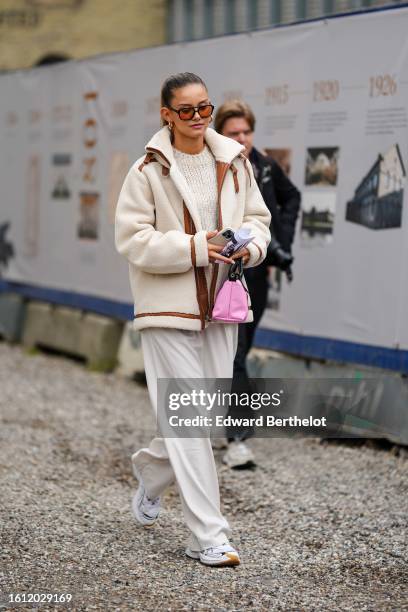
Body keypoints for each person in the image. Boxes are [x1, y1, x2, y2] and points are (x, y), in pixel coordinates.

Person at [115, 74, 271, 567]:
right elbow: (132, 240)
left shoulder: (235, 161)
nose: (198, 118)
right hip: (167, 309)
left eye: (204, 108)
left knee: (202, 414)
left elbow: (258, 218)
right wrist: (191, 248)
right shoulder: (147, 169)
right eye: (186, 110)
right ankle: (210, 536)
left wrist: (251, 247)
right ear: (166, 114)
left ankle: (152, 471)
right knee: (189, 422)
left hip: (223, 304)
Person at [214, 100, 301, 469]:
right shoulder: (212, 169)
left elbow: (292, 196)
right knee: (230, 354)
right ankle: (236, 438)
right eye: (234, 133)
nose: (243, 138)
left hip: (255, 276)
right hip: (217, 274)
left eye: (247, 131)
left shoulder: (264, 166)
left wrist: (281, 243)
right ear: (220, 134)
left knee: (240, 352)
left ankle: (230, 429)